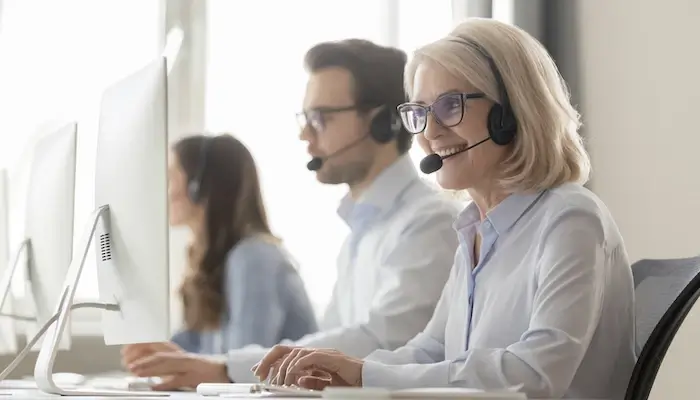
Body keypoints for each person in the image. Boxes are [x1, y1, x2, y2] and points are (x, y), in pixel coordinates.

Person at [252, 18, 637, 399]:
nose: (430, 132)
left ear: (511, 112)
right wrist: (339, 371)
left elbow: (534, 374)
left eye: (450, 106)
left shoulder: (570, 219)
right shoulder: (476, 229)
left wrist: (366, 375)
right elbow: (430, 351)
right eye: (420, 112)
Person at [121, 39, 462, 391]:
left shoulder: (429, 222)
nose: (304, 134)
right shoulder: (361, 232)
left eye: (321, 118)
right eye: (306, 118)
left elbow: (385, 340)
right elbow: (329, 342)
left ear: (383, 123)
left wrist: (227, 367)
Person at [121, 134, 318, 388]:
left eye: (171, 177)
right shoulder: (211, 262)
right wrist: (162, 355)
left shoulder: (254, 257)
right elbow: (195, 352)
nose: (163, 190)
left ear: (198, 187)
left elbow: (244, 364)